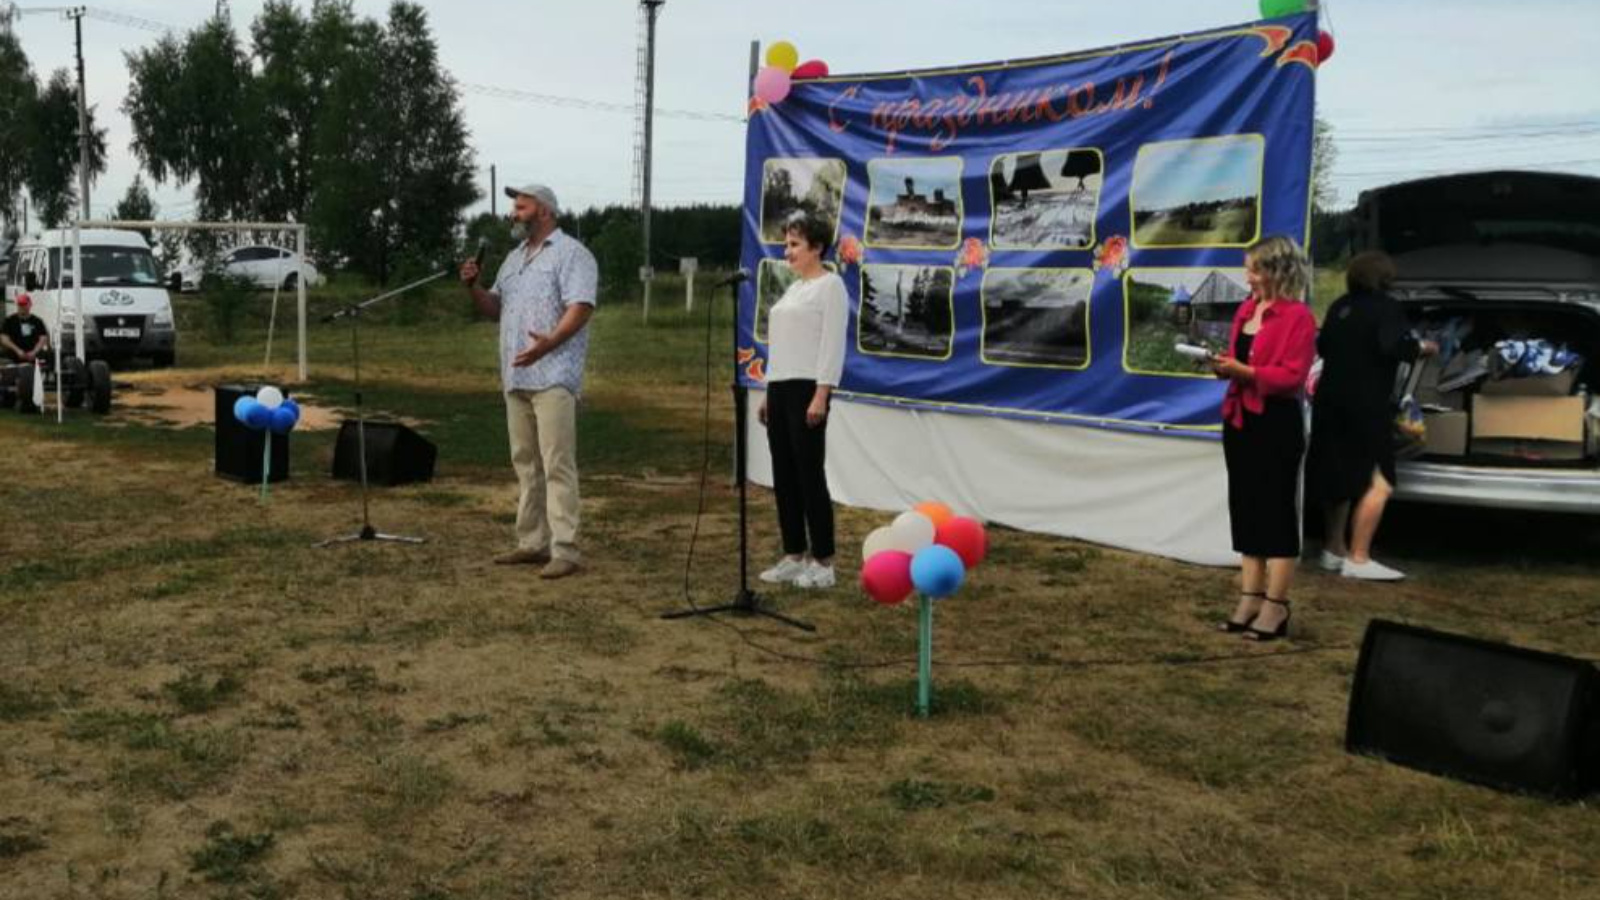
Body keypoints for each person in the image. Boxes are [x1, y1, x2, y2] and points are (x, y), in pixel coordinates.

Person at [460, 183, 598, 579]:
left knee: (557, 463)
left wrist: (548, 344)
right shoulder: (513, 258)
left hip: (553, 374)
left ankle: (565, 550)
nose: (513, 213)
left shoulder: (572, 253)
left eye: (521, 207)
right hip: (516, 374)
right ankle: (533, 542)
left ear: (545, 211)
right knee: (526, 464)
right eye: (514, 207)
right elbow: (495, 308)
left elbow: (581, 307)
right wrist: (474, 288)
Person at [1307, 251, 1438, 581]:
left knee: (1337, 477)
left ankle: (1333, 550)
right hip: (1366, 405)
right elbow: (1393, 345)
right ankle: (1359, 557)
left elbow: (1322, 347)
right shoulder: (1387, 308)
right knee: (1381, 479)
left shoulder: (1339, 306)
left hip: (1329, 401)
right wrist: (1423, 347)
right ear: (1384, 278)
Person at [1213, 235, 1317, 641]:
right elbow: (1238, 360)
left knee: (1275, 512)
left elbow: (1292, 376)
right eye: (1248, 269)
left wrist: (1246, 373)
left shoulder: (1298, 317)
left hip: (1276, 422)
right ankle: (1249, 598)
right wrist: (1222, 366)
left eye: (1254, 269)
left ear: (1278, 271)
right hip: (1240, 419)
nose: (1248, 277)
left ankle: (1276, 605)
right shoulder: (1246, 309)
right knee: (1246, 508)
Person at [758, 214, 849, 590]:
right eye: (786, 244)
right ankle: (793, 554)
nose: (787, 251)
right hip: (780, 388)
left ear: (817, 248)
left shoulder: (830, 286)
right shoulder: (794, 289)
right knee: (783, 475)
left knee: (809, 475)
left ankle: (823, 561)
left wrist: (821, 394)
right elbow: (781, 345)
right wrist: (768, 392)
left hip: (807, 388)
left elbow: (832, 344)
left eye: (795, 244)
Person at [1, 293, 51, 363]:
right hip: (13, 357)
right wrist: (17, 350)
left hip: (34, 356)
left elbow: (43, 338)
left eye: (24, 304)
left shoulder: (37, 321)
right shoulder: (9, 321)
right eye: (20, 304)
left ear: (30, 305)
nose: (22, 307)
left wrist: (34, 352)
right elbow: (4, 339)